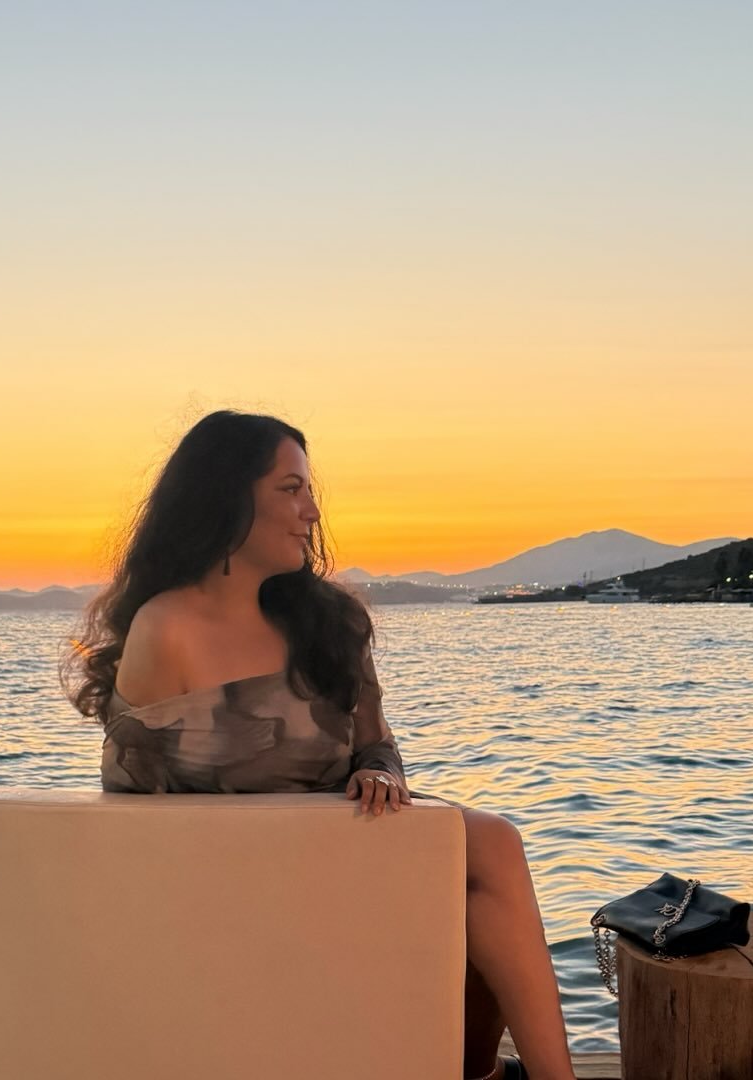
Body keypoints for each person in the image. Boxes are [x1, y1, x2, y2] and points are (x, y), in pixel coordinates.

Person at [62, 409, 578, 1080]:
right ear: (226, 497)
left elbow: (377, 744)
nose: (311, 511)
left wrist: (381, 775)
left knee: (485, 851)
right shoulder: (168, 629)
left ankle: (491, 1073)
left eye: (310, 491)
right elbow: (135, 813)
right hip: (227, 890)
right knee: (484, 849)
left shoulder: (331, 621)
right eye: (290, 489)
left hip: (344, 849)